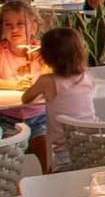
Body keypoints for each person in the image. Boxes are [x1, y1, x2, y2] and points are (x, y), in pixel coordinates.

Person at [22, 27, 95, 169]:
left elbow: (26, 98)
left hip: (65, 150)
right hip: (90, 143)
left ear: (44, 56)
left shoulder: (47, 81)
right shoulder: (87, 77)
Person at [0, 0, 43, 87]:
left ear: (34, 26)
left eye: (20, 24)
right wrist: (15, 85)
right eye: (8, 24)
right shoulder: (1, 52)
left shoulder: (43, 52)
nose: (14, 29)